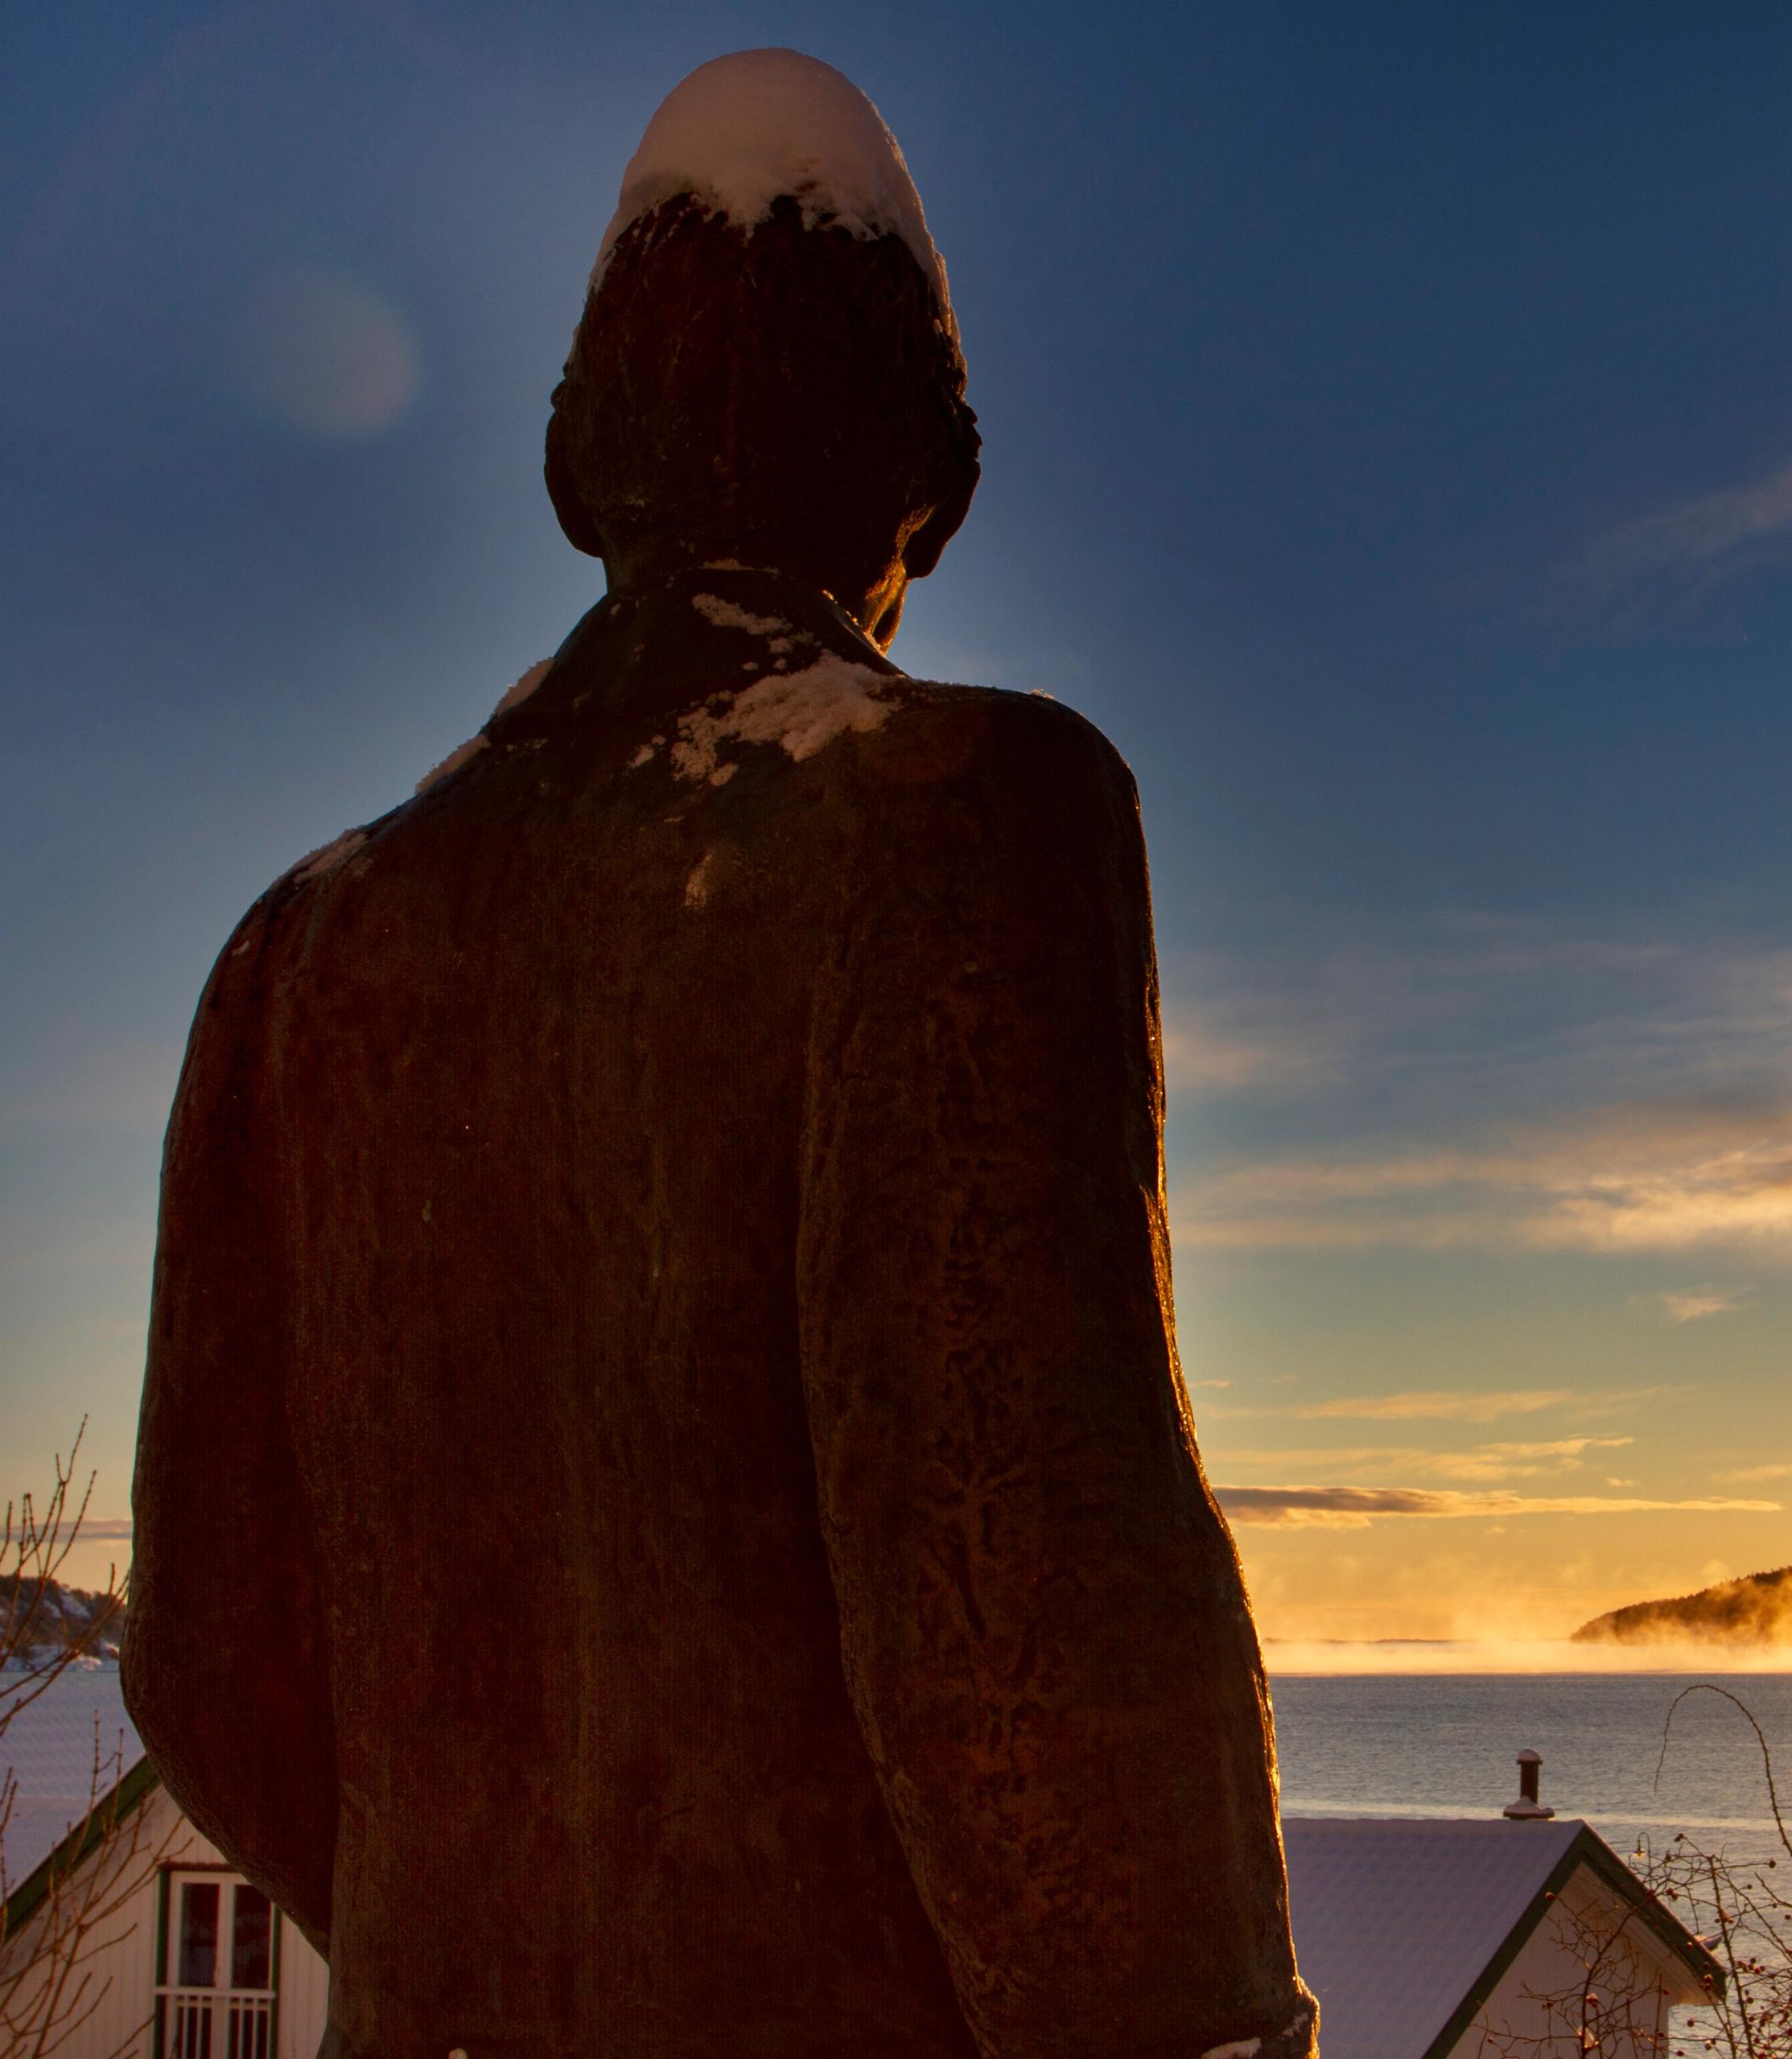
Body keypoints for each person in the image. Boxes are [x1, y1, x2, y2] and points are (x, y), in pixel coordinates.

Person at [124, 51, 1315, 2059]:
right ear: (919, 479)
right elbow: (1027, 1617)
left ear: (587, 461)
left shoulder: (295, 951)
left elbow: (213, 1661)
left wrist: (472, 1931)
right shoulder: (958, 813)